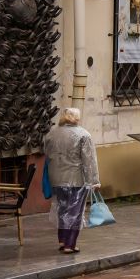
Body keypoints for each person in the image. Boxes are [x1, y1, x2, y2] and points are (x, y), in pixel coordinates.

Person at [42, 107, 100, 254]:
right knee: (75, 212)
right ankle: (70, 244)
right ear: (77, 119)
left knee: (61, 209)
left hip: (56, 178)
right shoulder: (83, 135)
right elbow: (89, 160)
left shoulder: (52, 133)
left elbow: (47, 155)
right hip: (76, 179)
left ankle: (61, 240)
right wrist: (94, 180)